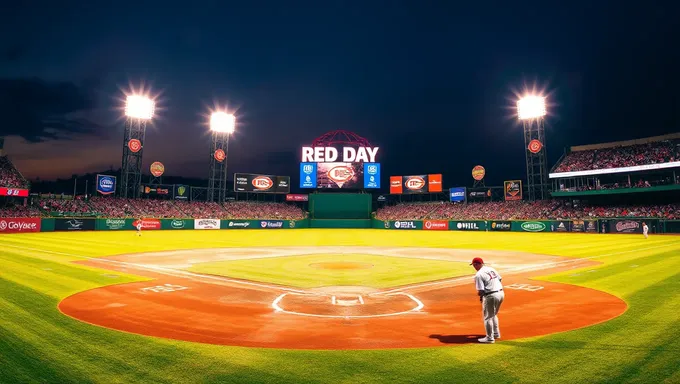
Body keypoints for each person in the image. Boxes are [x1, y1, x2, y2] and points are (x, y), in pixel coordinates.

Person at [470, 257, 504, 344]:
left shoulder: (478, 275)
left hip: (491, 295)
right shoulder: (490, 269)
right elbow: (500, 279)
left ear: (476, 264)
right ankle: (496, 333)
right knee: (493, 315)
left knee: (488, 317)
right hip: (501, 293)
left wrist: (481, 297)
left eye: (474, 265)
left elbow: (481, 291)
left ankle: (490, 338)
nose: (474, 267)